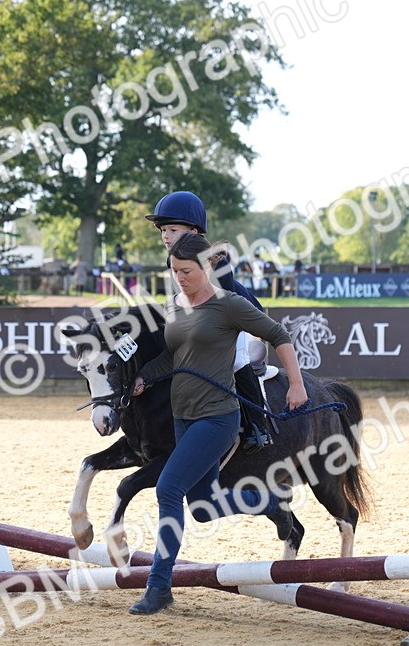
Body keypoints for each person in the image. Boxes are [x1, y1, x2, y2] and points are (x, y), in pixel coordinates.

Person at [127, 232, 308, 615]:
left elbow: (278, 334)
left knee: (168, 489)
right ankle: (270, 503)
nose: (180, 277)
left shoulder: (229, 306)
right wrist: (145, 375)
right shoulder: (174, 305)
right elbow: (175, 357)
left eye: (187, 270)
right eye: (174, 271)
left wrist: (295, 383)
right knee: (204, 506)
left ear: (207, 266)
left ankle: (159, 586)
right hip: (183, 418)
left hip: (218, 418)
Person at [145, 190, 276, 451]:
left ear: (193, 232)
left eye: (172, 229)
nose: (165, 236)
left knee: (237, 360)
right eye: (162, 231)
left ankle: (258, 426)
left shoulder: (215, 259)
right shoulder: (173, 259)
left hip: (238, 321)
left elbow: (225, 306)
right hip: (206, 322)